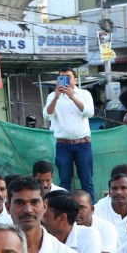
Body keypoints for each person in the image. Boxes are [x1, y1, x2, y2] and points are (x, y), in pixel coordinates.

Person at [43, 68, 95, 196]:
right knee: (64, 182)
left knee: (87, 181)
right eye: (62, 77)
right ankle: (64, 209)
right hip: (63, 144)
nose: (65, 80)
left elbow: (90, 113)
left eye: (68, 77)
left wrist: (73, 97)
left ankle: (90, 210)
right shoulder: (52, 96)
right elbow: (47, 115)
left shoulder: (84, 94)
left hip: (83, 143)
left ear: (75, 80)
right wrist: (56, 97)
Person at [73, 189, 118, 253]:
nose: (76, 212)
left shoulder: (106, 228)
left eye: (81, 208)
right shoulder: (60, 227)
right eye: (72, 207)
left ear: (92, 209)